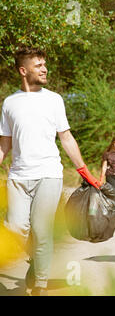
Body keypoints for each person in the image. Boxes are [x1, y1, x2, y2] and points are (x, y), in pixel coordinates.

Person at [0, 47, 101, 296]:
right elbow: (4, 143)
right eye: (38, 65)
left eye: (45, 64)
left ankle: (40, 286)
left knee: (42, 230)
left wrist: (85, 171)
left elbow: (65, 138)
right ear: (23, 71)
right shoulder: (9, 103)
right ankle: (37, 260)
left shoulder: (54, 99)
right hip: (18, 177)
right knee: (16, 228)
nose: (45, 69)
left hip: (49, 174)